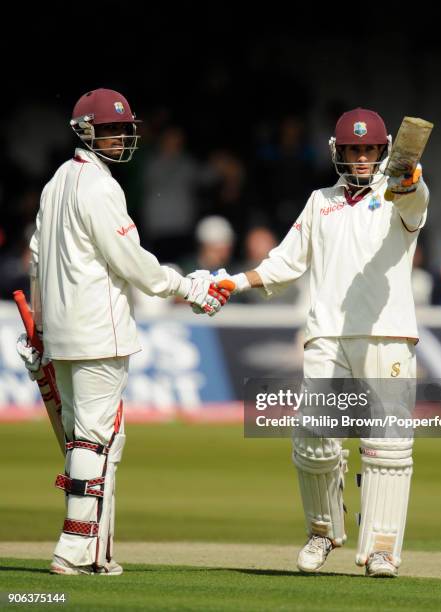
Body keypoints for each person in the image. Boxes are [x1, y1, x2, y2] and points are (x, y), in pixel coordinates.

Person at [191, 108, 429, 578]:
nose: (361, 158)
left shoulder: (401, 192)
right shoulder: (320, 202)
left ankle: (381, 547)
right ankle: (322, 533)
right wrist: (234, 283)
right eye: (353, 149)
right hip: (326, 334)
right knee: (314, 437)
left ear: (383, 152)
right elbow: (284, 262)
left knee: (388, 445)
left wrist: (408, 178)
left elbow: (414, 200)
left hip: (388, 332)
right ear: (338, 152)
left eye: (369, 149)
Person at [15, 88, 232, 576]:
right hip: (99, 330)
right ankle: (74, 549)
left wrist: (42, 328)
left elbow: (35, 256)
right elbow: (132, 262)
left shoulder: (56, 183)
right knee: (96, 439)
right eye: (108, 129)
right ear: (85, 131)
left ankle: (97, 552)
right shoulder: (100, 187)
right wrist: (188, 288)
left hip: (66, 333)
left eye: (121, 128)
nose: (118, 137)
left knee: (89, 440)